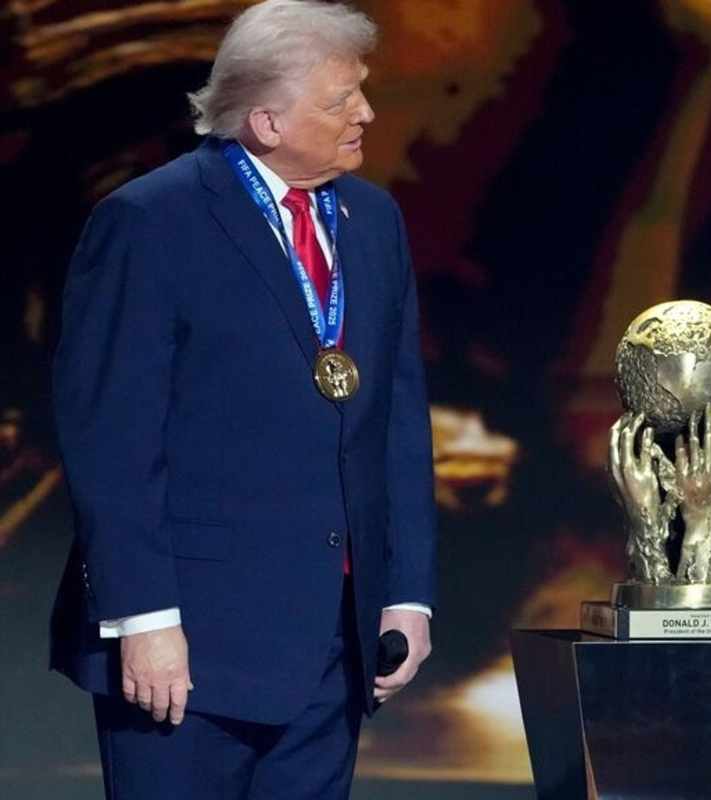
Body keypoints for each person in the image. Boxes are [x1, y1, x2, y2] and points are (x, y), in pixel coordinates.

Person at [48, 1, 437, 797]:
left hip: (334, 645)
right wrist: (144, 620)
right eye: (341, 99)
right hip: (188, 648)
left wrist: (405, 593)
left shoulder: (372, 220)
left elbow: (396, 419)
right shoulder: (150, 220)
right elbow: (112, 439)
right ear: (265, 121)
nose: (365, 113)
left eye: (362, 91)